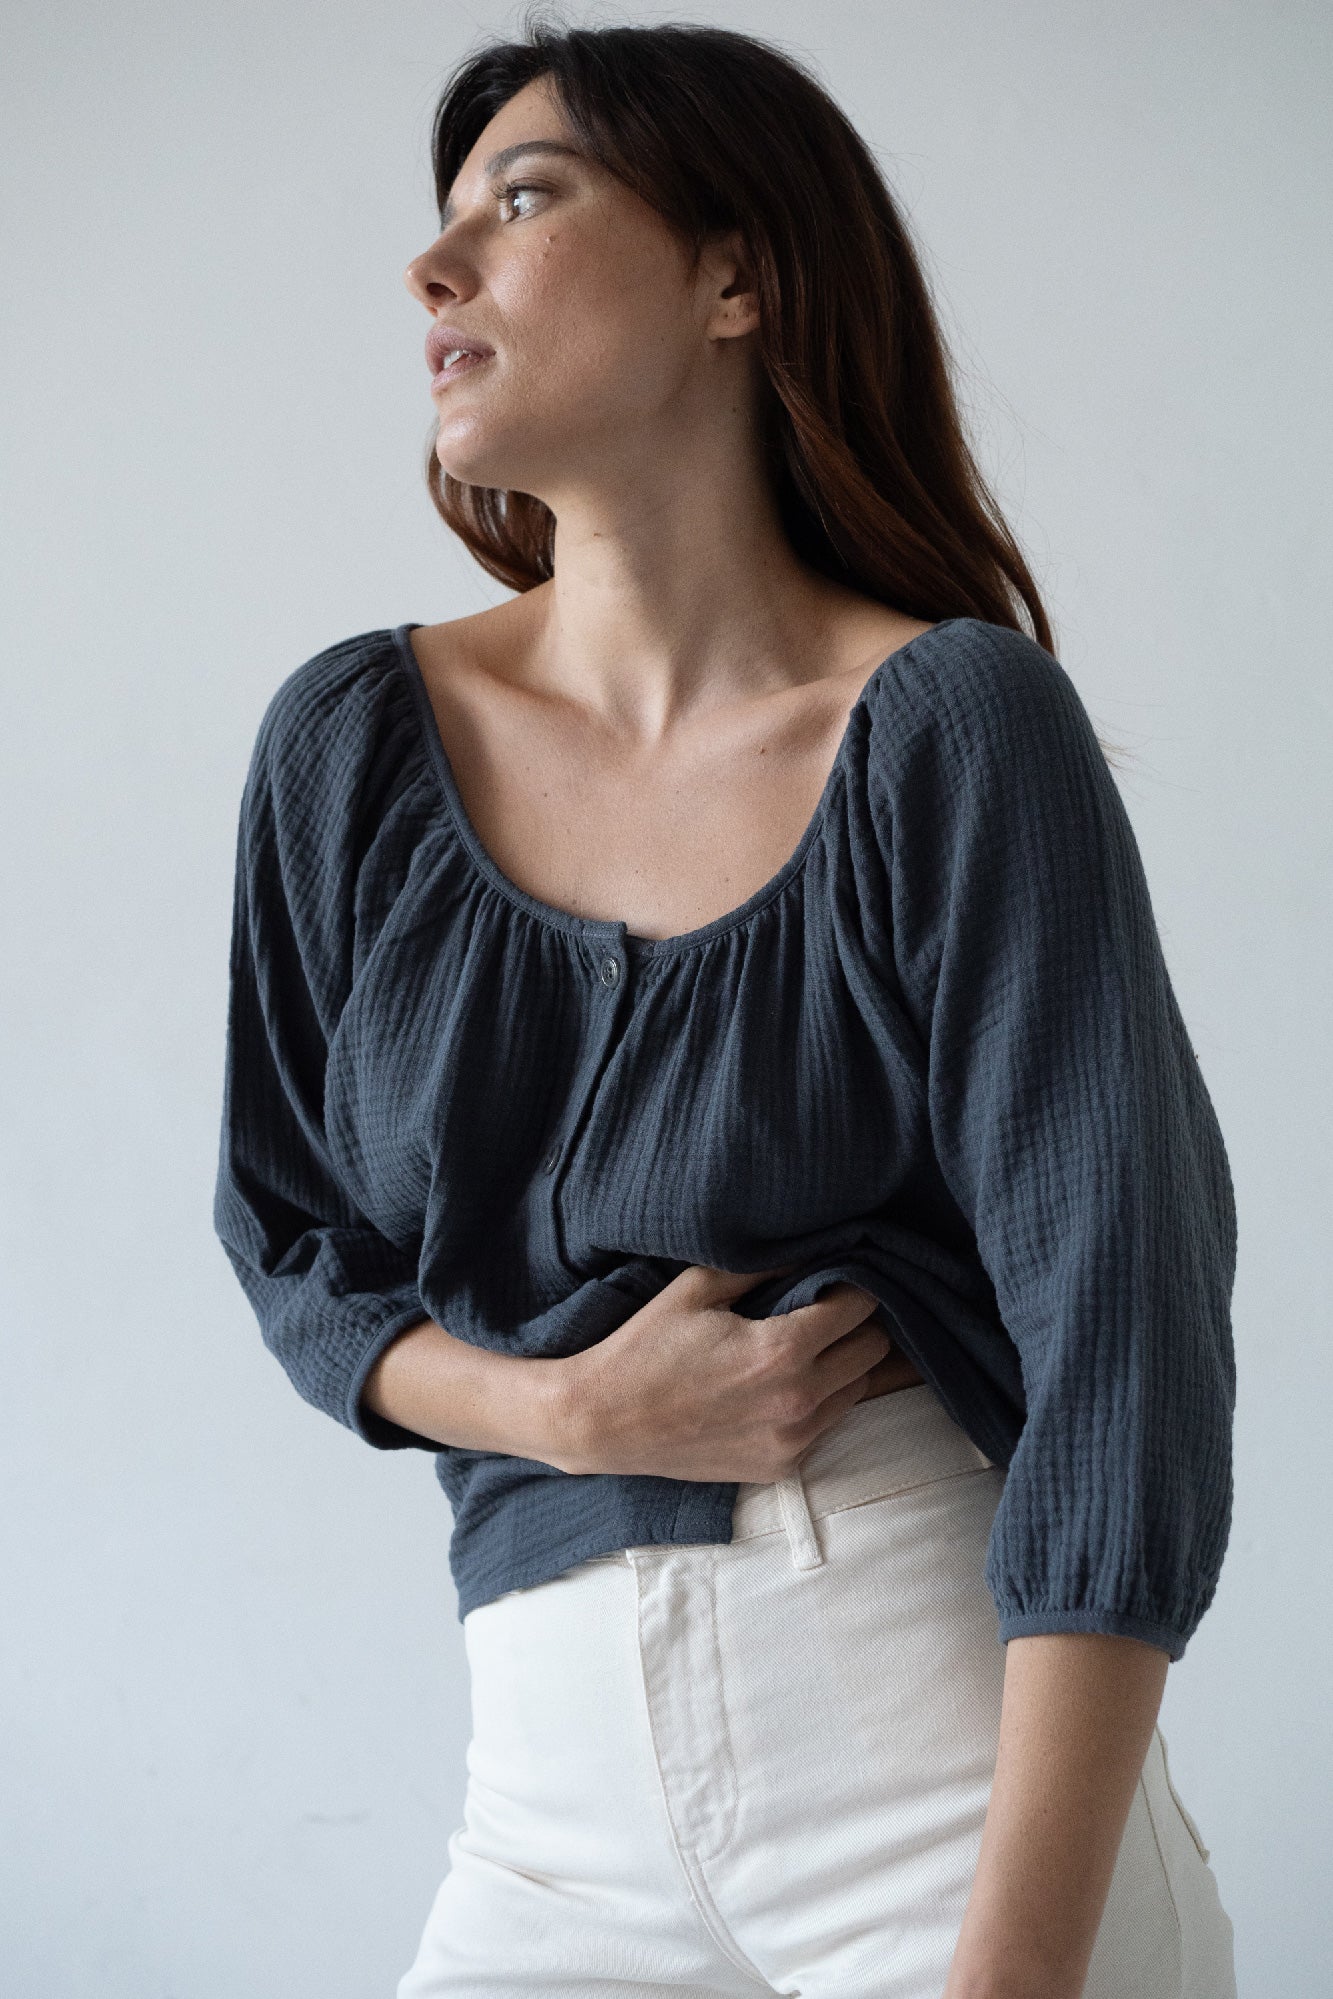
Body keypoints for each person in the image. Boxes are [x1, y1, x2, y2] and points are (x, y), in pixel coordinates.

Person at [212, 19, 1239, 1997]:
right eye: (441, 221)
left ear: (734, 277)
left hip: (931, 1761)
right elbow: (291, 1244)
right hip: (543, 1806)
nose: (434, 269)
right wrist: (562, 1407)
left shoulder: (952, 731)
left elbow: (1125, 1345)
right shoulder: (350, 743)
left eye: (523, 201)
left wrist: (1011, 1970)